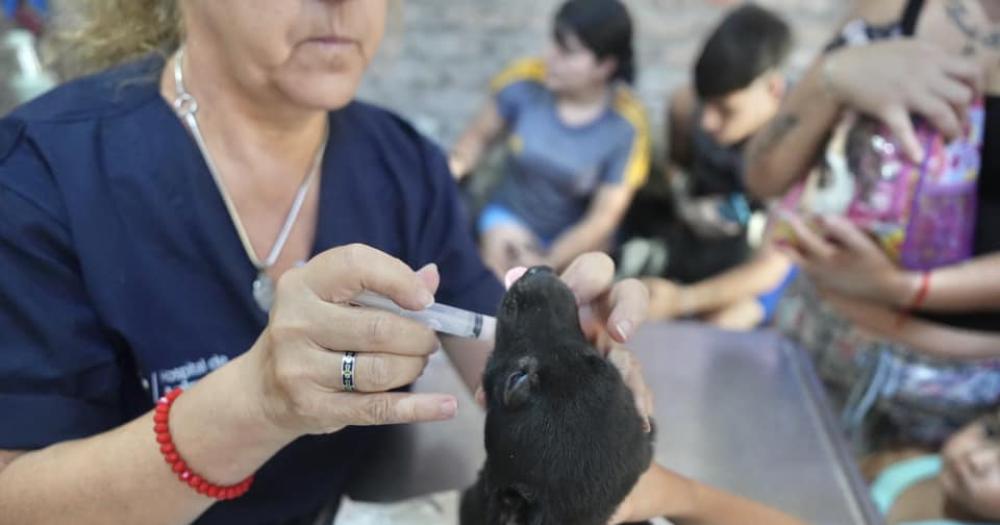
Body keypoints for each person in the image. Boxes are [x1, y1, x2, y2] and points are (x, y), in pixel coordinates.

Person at [0, 1, 656, 523]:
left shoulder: (403, 168)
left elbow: (492, 340)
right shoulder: (44, 175)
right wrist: (253, 405)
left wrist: (574, 359)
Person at [744, 0, 1000, 452]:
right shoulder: (887, 9)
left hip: (954, 398)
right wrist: (836, 76)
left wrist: (902, 287)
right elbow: (763, 174)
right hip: (812, 334)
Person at [449, 0, 651, 279]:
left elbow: (604, 217)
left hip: (575, 239)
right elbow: (474, 141)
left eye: (567, 52)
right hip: (510, 220)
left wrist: (548, 258)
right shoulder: (523, 82)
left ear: (605, 66)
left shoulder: (626, 125)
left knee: (576, 285)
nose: (549, 57)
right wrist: (451, 171)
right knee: (500, 269)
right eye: (553, 43)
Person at [634, 3, 796, 329]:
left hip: (763, 257)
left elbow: (770, 266)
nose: (708, 121)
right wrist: (686, 204)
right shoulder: (685, 108)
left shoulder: (795, 149)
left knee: (719, 327)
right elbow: (676, 171)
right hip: (700, 232)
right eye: (704, 102)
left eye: (725, 109)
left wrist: (682, 300)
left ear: (773, 89)